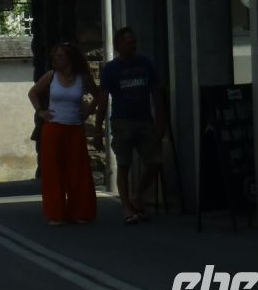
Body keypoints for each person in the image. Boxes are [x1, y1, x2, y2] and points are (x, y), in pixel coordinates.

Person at [98, 25, 166, 224]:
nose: (133, 45)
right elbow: (102, 99)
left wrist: (160, 120)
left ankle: (137, 196)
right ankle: (126, 206)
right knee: (124, 165)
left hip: (145, 120)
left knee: (154, 162)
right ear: (119, 45)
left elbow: (157, 92)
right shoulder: (111, 70)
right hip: (122, 122)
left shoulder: (145, 64)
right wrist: (98, 127)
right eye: (129, 42)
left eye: (134, 42)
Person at [29, 42, 100, 224]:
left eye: (60, 56)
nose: (56, 59)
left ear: (70, 59)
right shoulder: (51, 76)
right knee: (53, 172)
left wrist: (89, 110)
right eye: (55, 56)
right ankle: (56, 213)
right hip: (53, 128)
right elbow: (33, 92)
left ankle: (80, 212)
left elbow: (97, 94)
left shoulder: (82, 77)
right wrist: (40, 111)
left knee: (78, 171)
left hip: (74, 128)